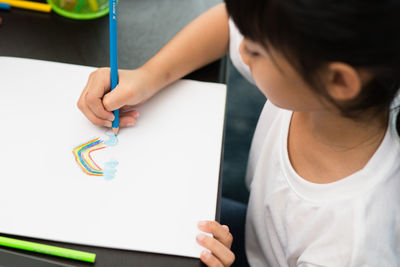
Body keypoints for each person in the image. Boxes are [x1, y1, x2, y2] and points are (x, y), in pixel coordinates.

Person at [78, 0, 400, 266]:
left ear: (339, 82)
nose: (242, 51)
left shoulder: (353, 247)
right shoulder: (325, 84)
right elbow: (226, 23)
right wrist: (149, 76)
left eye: (256, 50)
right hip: (254, 232)